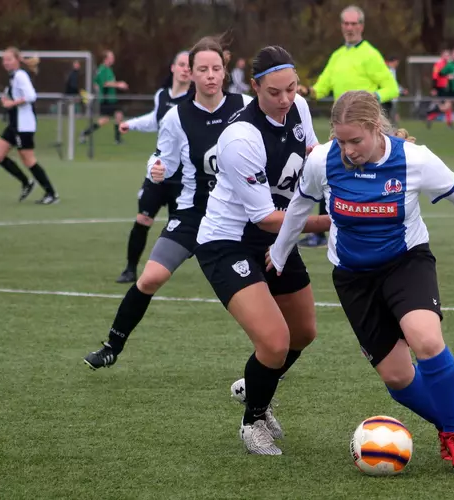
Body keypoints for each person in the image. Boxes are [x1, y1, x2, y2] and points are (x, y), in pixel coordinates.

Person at [267, 90, 454, 469]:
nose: (348, 150)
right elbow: (299, 205)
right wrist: (280, 252)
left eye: (356, 141)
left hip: (405, 264)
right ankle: (447, 424)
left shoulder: (415, 160)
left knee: (426, 339)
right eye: (341, 140)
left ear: (376, 128)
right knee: (397, 378)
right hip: (353, 278)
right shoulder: (321, 160)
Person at [83, 37, 252, 369]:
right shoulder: (177, 117)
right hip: (192, 214)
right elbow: (164, 159)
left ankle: (272, 357)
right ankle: (111, 346)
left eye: (216, 68)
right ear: (190, 72)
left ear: (224, 71)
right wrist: (155, 169)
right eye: (202, 69)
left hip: (236, 216)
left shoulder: (246, 106)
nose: (210, 76)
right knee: (149, 279)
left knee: (253, 289)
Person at [194, 45, 329, 456]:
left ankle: (254, 386)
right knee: (274, 341)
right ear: (255, 87)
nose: (286, 99)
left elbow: (317, 160)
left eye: (292, 88)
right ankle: (252, 420)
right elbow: (266, 218)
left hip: (275, 235)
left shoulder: (299, 108)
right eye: (274, 92)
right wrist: (333, 221)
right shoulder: (240, 138)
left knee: (303, 333)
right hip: (228, 241)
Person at [297, 4, 399, 249]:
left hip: (364, 130)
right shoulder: (337, 56)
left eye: (354, 24)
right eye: (346, 24)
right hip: (341, 129)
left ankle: (380, 225)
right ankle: (321, 233)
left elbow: (392, 89)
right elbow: (322, 88)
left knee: (371, 177)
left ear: (361, 26)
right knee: (326, 171)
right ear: (342, 27)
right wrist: (307, 91)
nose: (350, 28)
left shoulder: (370, 55)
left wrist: (366, 101)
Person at [112, 51, 196, 284]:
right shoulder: (161, 95)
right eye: (181, 64)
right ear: (173, 68)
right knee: (143, 219)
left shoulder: (195, 99)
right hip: (159, 171)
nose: (185, 69)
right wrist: (131, 124)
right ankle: (130, 269)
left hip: (184, 176)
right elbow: (155, 120)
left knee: (180, 227)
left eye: (189, 65)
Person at [0, 47, 59, 205]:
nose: (5, 62)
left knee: (28, 160)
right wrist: (6, 99)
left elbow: (31, 96)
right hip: (15, 124)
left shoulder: (21, 75)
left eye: (9, 59)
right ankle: (26, 182)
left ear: (17, 60)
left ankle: (51, 193)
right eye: (4, 60)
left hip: (24, 125)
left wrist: (11, 103)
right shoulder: (13, 77)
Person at [79, 50, 128, 145]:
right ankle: (85, 133)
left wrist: (96, 85)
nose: (113, 59)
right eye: (111, 57)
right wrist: (119, 84)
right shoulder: (102, 69)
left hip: (111, 98)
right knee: (105, 120)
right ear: (106, 59)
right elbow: (105, 83)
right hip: (106, 99)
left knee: (117, 116)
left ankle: (117, 140)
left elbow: (96, 81)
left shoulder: (108, 69)